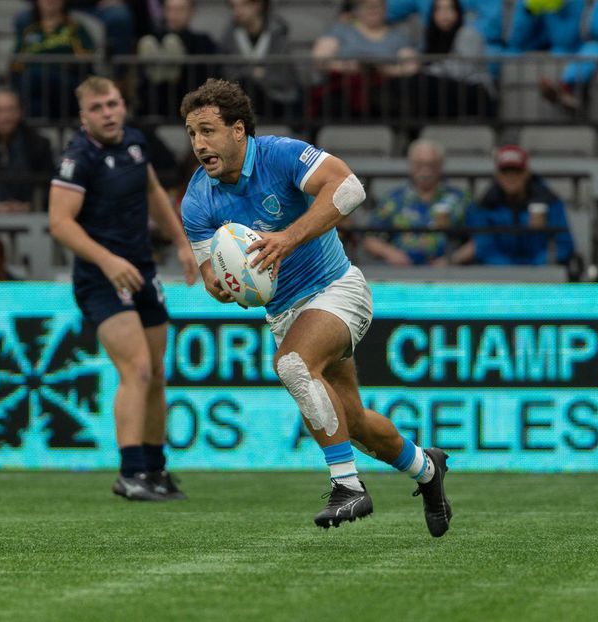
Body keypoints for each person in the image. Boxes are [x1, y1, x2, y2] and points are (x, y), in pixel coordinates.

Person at [179, 79, 453, 536]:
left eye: (207, 130)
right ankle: (427, 468)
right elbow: (211, 274)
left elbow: (349, 188)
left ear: (238, 130)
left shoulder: (280, 155)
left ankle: (347, 486)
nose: (198, 143)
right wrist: (226, 286)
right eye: (191, 133)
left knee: (292, 364)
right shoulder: (196, 199)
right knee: (354, 423)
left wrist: (287, 238)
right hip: (285, 313)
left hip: (337, 289)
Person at [49, 76, 198, 501]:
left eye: (113, 104)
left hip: (142, 269)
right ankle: (130, 473)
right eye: (97, 108)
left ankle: (155, 469)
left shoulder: (134, 142)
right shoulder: (78, 159)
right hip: (101, 277)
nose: (108, 113)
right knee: (137, 369)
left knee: (156, 374)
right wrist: (108, 261)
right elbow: (60, 223)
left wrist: (182, 243)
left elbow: (152, 191)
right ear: (83, 117)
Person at [454, 145, 574, 266]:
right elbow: (484, 247)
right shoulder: (484, 207)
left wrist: (536, 266)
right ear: (497, 175)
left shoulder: (550, 202)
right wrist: (511, 269)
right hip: (498, 274)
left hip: (541, 272)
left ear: (527, 173)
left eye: (517, 171)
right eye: (505, 171)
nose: (511, 177)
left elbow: (564, 244)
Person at [363, 138, 470, 266]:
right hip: (401, 270)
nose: (425, 171)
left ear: (440, 166)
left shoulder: (459, 199)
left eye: (431, 165)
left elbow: (480, 240)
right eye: (419, 164)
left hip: (447, 271)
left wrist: (453, 259)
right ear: (411, 166)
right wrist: (390, 253)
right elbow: (369, 239)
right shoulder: (394, 199)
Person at [310, 0, 419, 119]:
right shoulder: (340, 30)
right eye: (368, 7)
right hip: (344, 87)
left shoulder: (399, 36)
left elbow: (410, 66)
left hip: (384, 86)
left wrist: (382, 69)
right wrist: (352, 66)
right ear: (357, 10)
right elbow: (320, 58)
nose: (373, 10)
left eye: (378, 7)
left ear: (385, 10)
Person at [12, 0, 97, 119]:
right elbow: (16, 64)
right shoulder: (30, 31)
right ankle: (36, 125)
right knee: (27, 87)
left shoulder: (75, 28)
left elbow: (86, 59)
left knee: (32, 77)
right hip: (36, 86)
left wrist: (51, 64)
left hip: (68, 84)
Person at [219, 0, 300, 120]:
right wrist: (254, 73)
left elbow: (284, 76)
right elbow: (228, 73)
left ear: (258, 5)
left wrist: (261, 77)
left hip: (277, 100)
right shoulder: (229, 35)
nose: (237, 11)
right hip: (242, 99)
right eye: (233, 7)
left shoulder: (279, 34)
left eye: (244, 5)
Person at [135, 0, 218, 117]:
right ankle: (162, 71)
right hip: (159, 101)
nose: (175, 14)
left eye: (181, 9)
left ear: (191, 12)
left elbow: (209, 76)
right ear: (164, 12)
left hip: (190, 99)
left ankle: (172, 69)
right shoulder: (154, 40)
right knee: (150, 44)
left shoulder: (203, 42)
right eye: (170, 9)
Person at [418, 0, 496, 118]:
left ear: (458, 12)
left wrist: (422, 70)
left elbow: (461, 69)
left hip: (475, 93)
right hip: (448, 95)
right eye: (439, 9)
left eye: (449, 8)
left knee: (423, 82)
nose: (444, 14)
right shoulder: (431, 38)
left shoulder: (468, 33)